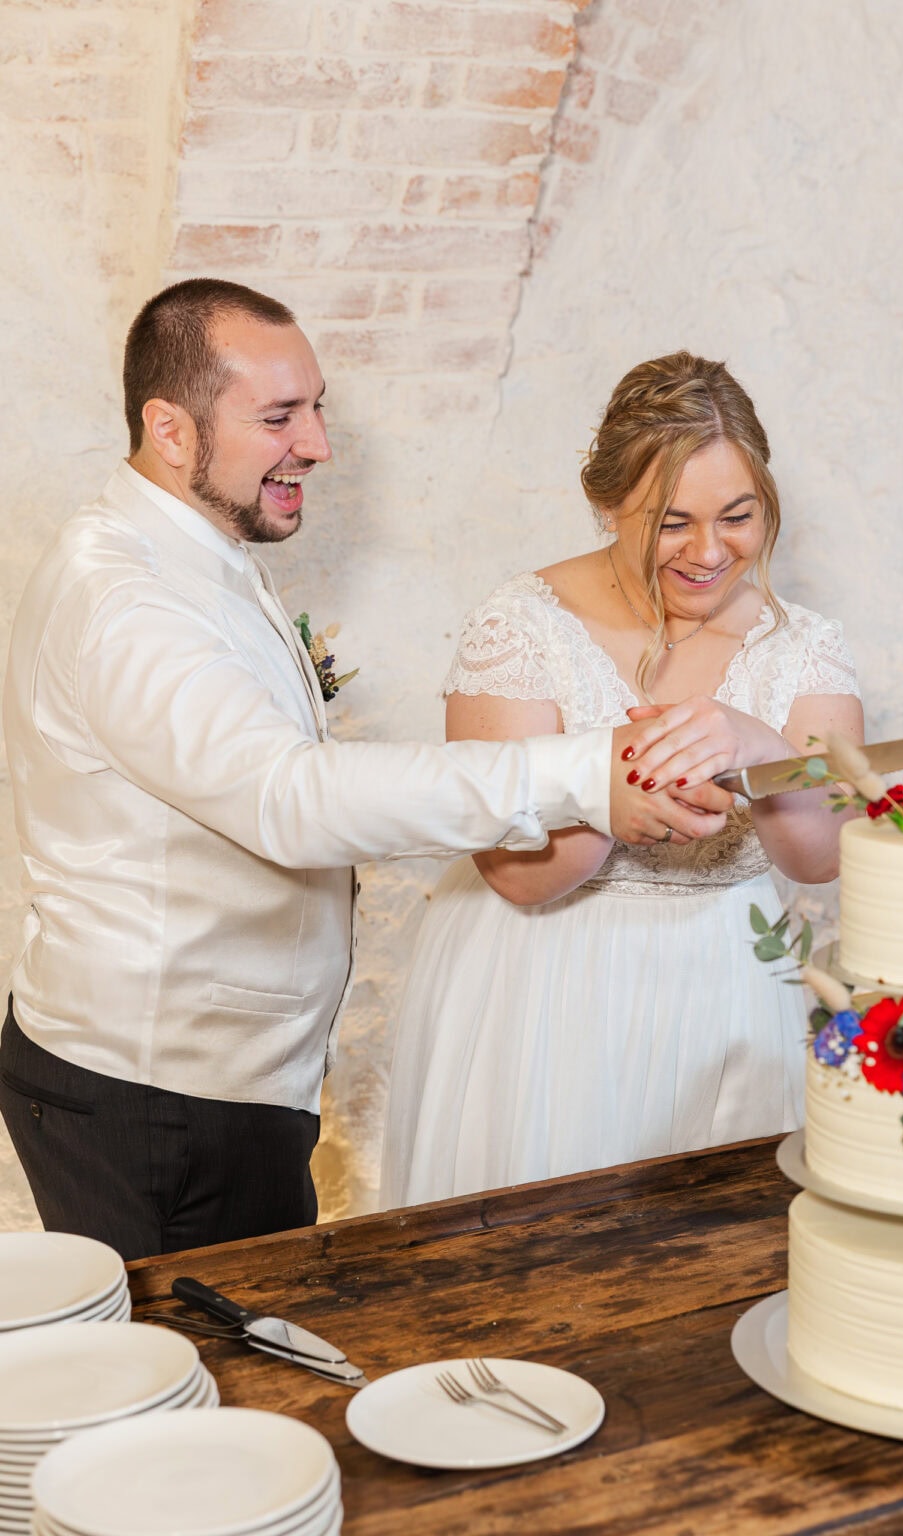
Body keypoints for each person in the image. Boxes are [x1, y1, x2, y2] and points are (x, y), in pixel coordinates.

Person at [0, 285, 732, 1261]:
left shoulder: (192, 553)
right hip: (159, 1098)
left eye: (316, 407)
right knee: (203, 1393)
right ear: (168, 429)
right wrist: (583, 773)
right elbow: (289, 800)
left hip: (219, 1084)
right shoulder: (125, 600)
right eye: (277, 417)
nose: (317, 444)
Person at [379, 349, 864, 1208]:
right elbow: (517, 876)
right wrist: (613, 796)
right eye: (671, 521)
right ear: (607, 504)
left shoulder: (805, 645)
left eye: (739, 515)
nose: (711, 551)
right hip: (543, 981)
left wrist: (756, 745)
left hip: (732, 975)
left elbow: (822, 856)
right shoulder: (521, 625)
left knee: (720, 1253)